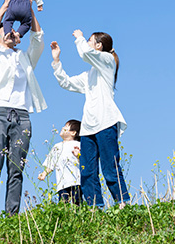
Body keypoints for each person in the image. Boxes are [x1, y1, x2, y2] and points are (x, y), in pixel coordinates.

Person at [0, 0, 47, 215]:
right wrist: (5, 6)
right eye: (4, 31)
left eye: (13, 32)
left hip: (22, 116)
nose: (9, 34)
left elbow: (38, 40)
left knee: (16, 169)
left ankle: (11, 217)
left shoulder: (25, 58)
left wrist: (29, 9)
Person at [50, 30, 130, 208]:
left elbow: (86, 53)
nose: (86, 43)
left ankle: (123, 204)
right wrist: (56, 62)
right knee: (87, 171)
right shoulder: (89, 75)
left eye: (89, 41)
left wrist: (79, 37)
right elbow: (67, 83)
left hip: (106, 122)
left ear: (98, 46)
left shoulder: (108, 62)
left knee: (110, 167)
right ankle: (96, 208)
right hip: (88, 128)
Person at [38, 119, 82, 205]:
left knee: (77, 204)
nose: (62, 127)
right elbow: (51, 164)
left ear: (73, 133)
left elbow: (83, 163)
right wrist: (44, 173)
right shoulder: (56, 146)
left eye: (66, 127)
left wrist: (78, 156)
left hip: (75, 181)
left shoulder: (77, 144)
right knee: (62, 205)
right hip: (62, 184)